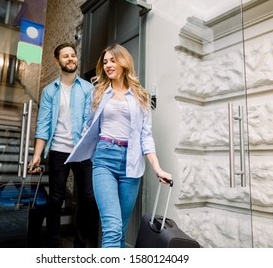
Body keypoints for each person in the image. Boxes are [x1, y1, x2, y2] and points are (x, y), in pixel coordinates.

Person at [66, 44, 172, 248]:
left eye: (112, 60)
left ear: (124, 62)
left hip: (131, 164)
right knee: (112, 228)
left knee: (120, 230)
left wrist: (157, 169)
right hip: (104, 159)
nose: (108, 65)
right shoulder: (98, 92)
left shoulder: (141, 95)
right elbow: (88, 127)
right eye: (105, 62)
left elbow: (146, 136)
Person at [28, 42, 98, 248]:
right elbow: (43, 125)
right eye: (66, 56)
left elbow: (90, 121)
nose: (71, 59)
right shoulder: (50, 91)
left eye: (73, 55)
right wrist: (36, 156)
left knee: (88, 197)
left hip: (82, 150)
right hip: (58, 150)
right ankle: (53, 243)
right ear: (57, 61)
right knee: (56, 198)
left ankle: (80, 243)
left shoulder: (88, 88)